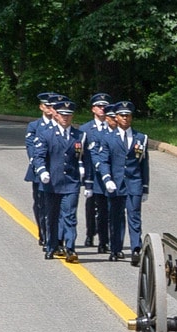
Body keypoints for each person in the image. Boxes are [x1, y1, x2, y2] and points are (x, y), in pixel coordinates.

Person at [93, 100, 149, 264]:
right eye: (122, 115)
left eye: (128, 115)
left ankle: (136, 249)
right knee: (116, 217)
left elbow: (144, 164)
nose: (125, 118)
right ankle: (116, 249)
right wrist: (107, 178)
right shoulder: (108, 138)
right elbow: (104, 161)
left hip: (134, 183)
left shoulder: (141, 138)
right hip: (116, 183)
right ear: (116, 117)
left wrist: (145, 187)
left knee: (134, 216)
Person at [32, 98, 86, 262]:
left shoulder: (79, 135)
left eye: (68, 115)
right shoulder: (46, 134)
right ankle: (52, 246)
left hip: (71, 182)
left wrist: (84, 172)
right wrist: (42, 171)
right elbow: (39, 156)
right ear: (57, 115)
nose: (65, 118)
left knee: (69, 216)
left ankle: (70, 248)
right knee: (52, 216)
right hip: (51, 183)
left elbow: (84, 157)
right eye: (62, 114)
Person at [23, 92, 60, 248]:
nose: (50, 109)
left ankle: (56, 237)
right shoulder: (35, 126)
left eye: (53, 106)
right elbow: (31, 147)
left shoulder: (60, 125)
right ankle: (44, 233)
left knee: (56, 206)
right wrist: (40, 167)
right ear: (41, 107)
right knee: (41, 205)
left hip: (57, 172)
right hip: (39, 172)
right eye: (47, 105)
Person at [79, 92, 112, 252]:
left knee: (106, 208)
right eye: (99, 106)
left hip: (108, 174)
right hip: (91, 173)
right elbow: (81, 153)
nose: (102, 109)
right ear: (93, 109)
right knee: (91, 207)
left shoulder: (113, 127)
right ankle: (90, 233)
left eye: (105, 106)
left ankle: (104, 240)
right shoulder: (85, 129)